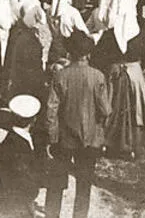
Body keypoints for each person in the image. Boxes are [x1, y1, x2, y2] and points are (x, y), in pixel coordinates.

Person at [44, 32, 110, 218]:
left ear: (69, 52)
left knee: (56, 183)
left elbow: (51, 110)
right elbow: (105, 110)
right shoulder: (98, 77)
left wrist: (51, 137)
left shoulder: (61, 76)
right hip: (89, 140)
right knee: (84, 185)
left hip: (63, 139)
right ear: (89, 53)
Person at [90, 0, 145, 157]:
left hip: (113, 75)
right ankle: (132, 145)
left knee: (112, 109)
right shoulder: (139, 33)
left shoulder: (111, 34)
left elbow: (98, 57)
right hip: (134, 75)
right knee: (135, 111)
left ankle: (108, 142)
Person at [0, 94, 43, 218]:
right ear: (33, 120)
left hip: (12, 200)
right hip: (19, 203)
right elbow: (23, 175)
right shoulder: (18, 144)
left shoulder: (12, 138)